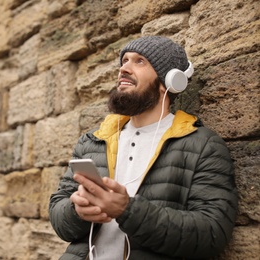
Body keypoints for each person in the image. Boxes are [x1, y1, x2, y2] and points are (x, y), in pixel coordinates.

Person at [49, 36, 238, 259]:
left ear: (169, 81)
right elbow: (59, 216)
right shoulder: (94, 140)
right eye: (124, 60)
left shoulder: (203, 145)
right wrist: (77, 211)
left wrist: (127, 211)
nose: (124, 69)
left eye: (139, 61)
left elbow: (211, 234)